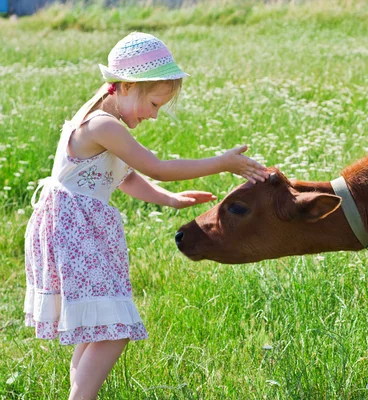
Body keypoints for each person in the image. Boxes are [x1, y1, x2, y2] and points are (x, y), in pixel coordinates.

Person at [23, 32, 269, 400]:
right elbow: (157, 166)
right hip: (74, 231)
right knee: (115, 328)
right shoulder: (102, 126)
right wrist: (222, 162)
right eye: (153, 104)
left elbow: (126, 175)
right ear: (124, 87)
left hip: (77, 228)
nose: (153, 115)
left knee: (97, 323)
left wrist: (168, 200)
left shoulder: (104, 115)